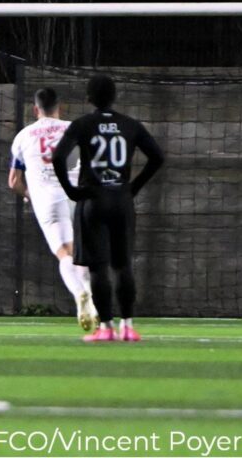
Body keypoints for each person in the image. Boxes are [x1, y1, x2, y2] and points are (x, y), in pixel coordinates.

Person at [52, 74, 164, 343]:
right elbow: (157, 157)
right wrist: (133, 187)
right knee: (123, 265)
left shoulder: (82, 124)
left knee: (98, 267)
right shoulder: (130, 125)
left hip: (93, 199)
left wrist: (71, 191)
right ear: (115, 97)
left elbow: (58, 157)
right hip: (121, 200)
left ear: (89, 98)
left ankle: (106, 328)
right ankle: (128, 326)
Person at [9, 88, 98, 332]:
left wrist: (29, 196)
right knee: (82, 253)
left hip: (48, 200)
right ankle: (90, 298)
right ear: (60, 107)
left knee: (65, 254)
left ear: (35, 109)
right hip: (79, 197)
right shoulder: (75, 128)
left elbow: (14, 182)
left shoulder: (24, 136)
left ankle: (80, 294)